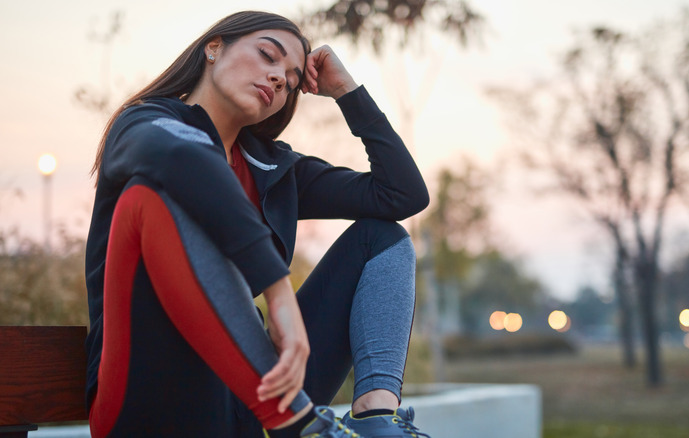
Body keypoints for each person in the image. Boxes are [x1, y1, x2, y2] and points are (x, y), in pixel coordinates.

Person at [83, 10, 430, 438]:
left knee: (382, 239)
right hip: (149, 397)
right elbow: (183, 160)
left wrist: (347, 93)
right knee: (150, 198)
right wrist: (277, 287)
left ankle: (377, 421)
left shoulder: (274, 168)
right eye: (267, 55)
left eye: (292, 75)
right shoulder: (144, 124)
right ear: (214, 47)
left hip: (250, 401)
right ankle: (302, 424)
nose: (280, 78)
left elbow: (402, 195)